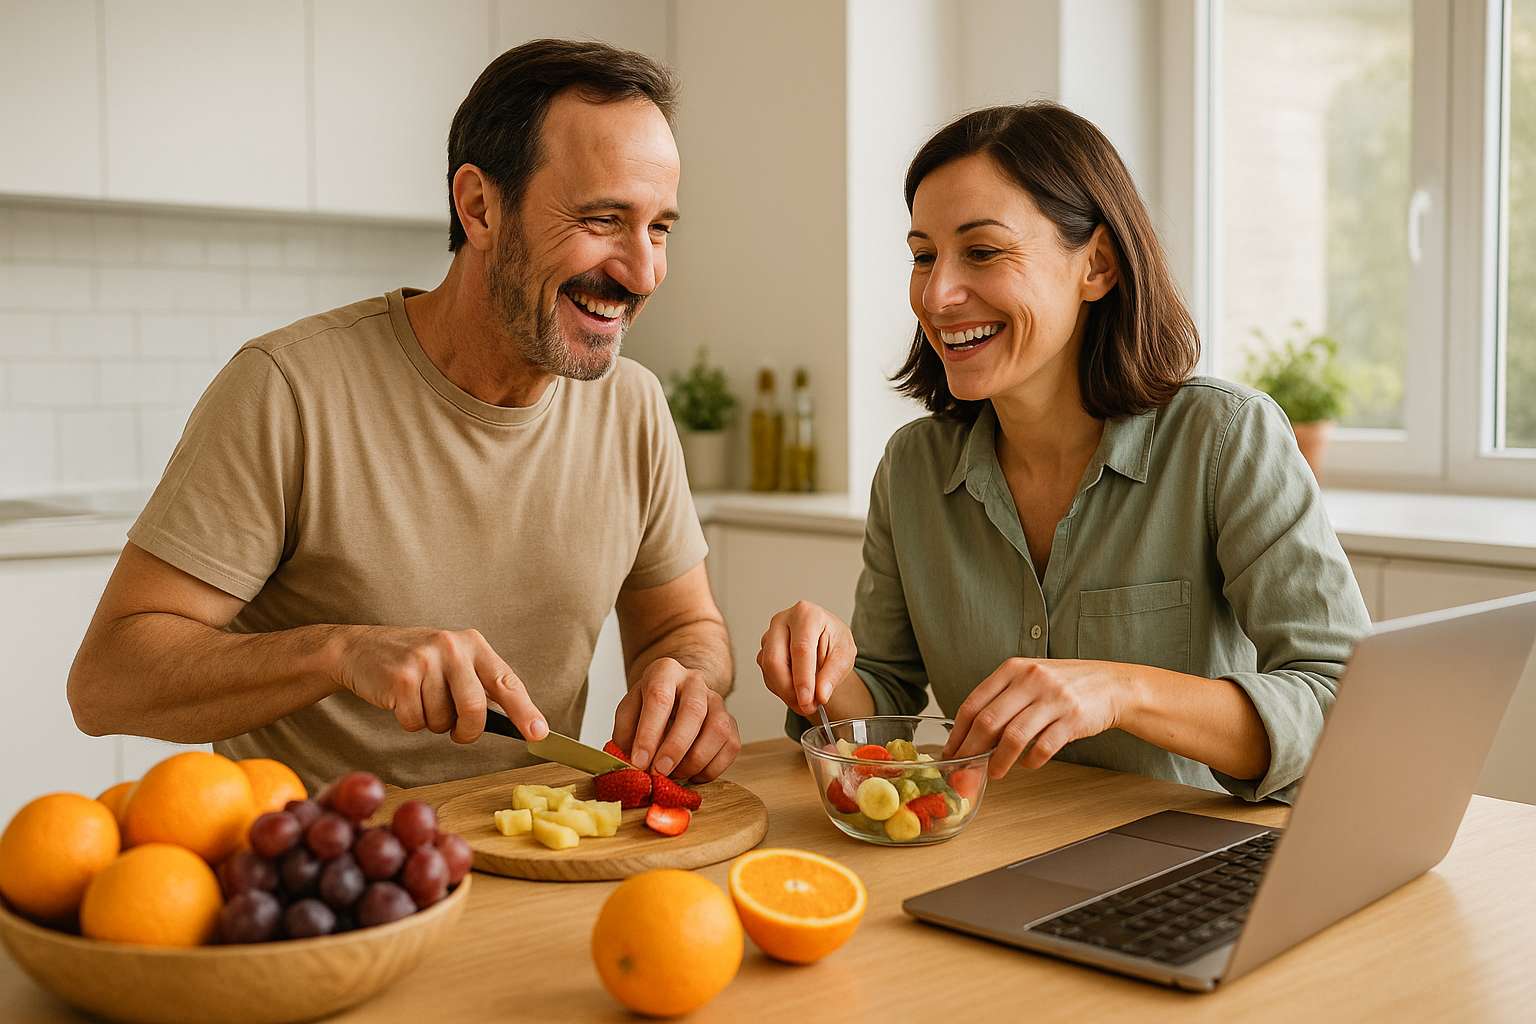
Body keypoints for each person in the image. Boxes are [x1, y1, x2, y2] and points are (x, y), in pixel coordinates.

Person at [67, 39, 740, 791]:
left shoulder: (633, 407)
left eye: (660, 228)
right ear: (479, 207)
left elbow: (686, 629)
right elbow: (105, 683)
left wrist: (689, 684)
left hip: (539, 857)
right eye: (602, 219)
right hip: (327, 878)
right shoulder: (289, 390)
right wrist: (338, 653)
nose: (643, 271)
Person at [757, 103, 1370, 803]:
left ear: (1098, 265)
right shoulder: (914, 468)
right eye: (923, 255)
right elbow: (881, 703)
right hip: (989, 861)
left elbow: (1347, 706)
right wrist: (824, 667)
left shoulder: (1226, 440)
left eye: (981, 252)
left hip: (1190, 869)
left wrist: (1123, 690)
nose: (936, 293)